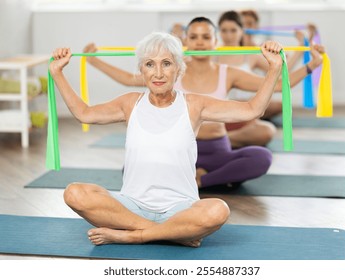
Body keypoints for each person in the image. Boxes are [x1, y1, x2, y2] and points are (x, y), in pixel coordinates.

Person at [50, 32, 283, 246]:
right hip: (132, 206)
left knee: (218, 210)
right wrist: (57, 73)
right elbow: (84, 113)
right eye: (150, 64)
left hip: (181, 209)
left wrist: (273, 69)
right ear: (141, 70)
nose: (158, 73)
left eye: (167, 64)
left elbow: (252, 110)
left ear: (179, 70)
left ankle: (134, 236)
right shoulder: (130, 103)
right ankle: (171, 233)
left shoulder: (194, 104)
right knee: (74, 193)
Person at [82, 17, 324, 189]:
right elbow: (127, 79)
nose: (199, 42)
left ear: (215, 41)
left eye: (206, 36)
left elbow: (280, 84)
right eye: (193, 37)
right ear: (185, 41)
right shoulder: (170, 71)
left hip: (218, 150)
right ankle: (213, 178)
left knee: (262, 157)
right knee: (131, 170)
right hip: (178, 151)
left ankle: (201, 181)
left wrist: (312, 65)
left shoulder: (227, 72)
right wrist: (94, 61)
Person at [217, 10, 306, 145]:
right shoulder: (212, 54)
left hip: (246, 110)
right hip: (220, 113)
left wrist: (301, 47)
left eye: (233, 30)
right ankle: (217, 138)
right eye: (224, 30)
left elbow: (282, 70)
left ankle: (221, 140)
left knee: (267, 131)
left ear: (242, 31)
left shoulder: (250, 55)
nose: (228, 35)